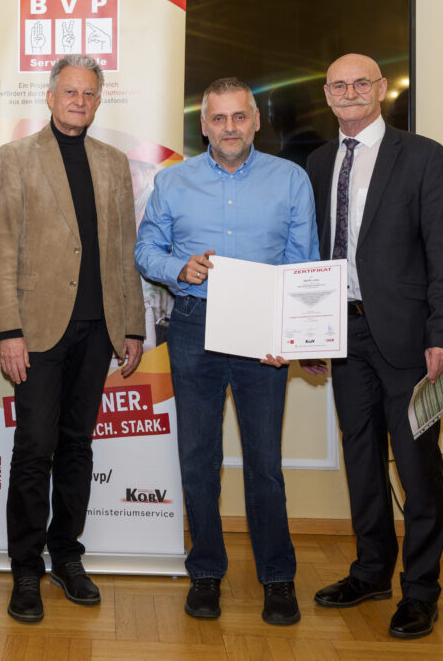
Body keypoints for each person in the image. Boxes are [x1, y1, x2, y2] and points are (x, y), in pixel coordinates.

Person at [135, 77, 318, 626]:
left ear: (256, 120)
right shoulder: (173, 182)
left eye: (240, 117)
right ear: (204, 124)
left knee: (265, 461)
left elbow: (302, 262)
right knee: (199, 459)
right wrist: (178, 268)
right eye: (219, 119)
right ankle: (207, 573)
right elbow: (146, 249)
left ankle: (277, 578)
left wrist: (290, 335)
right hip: (195, 325)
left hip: (263, 330)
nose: (230, 128)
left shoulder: (291, 180)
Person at [303, 53, 443, 639]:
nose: (349, 92)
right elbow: (313, 255)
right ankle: (371, 570)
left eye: (360, 83)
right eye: (338, 85)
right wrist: (310, 334)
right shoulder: (318, 163)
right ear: (326, 94)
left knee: (418, 469)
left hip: (409, 340)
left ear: (380, 92)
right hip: (344, 334)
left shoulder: (422, 156)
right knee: (362, 460)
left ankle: (421, 590)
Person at [0, 55, 146, 624]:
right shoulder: (16, 157)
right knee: (34, 448)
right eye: (69, 91)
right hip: (36, 331)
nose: (79, 100)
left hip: (97, 331)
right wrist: (7, 330)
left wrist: (131, 324)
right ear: (50, 98)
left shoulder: (111, 162)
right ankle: (25, 568)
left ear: (98, 101)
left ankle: (67, 556)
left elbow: (124, 250)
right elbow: (1, 247)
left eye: (88, 93)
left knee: (77, 445)